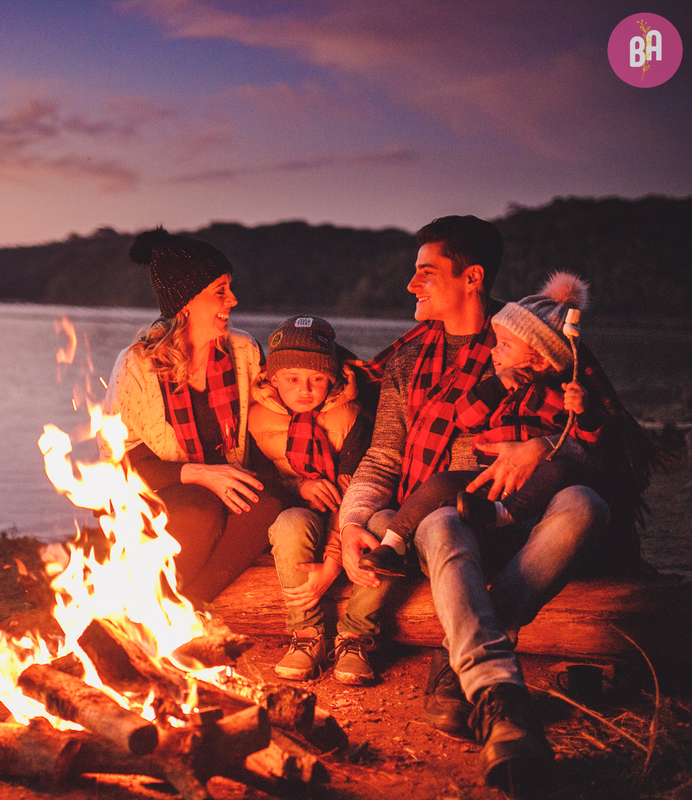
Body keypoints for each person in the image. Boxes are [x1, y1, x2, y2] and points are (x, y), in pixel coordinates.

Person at [337, 215, 610, 796]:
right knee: (444, 520)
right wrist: (352, 520)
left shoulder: (537, 343)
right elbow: (382, 457)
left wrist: (541, 447)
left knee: (586, 504)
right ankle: (497, 696)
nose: (411, 284)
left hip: (515, 523)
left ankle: (455, 661)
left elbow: (599, 447)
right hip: (430, 519)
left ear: (472, 277)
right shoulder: (409, 360)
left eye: (426, 272)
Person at [361, 273, 603, 577]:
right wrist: (496, 386)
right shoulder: (498, 388)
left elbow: (585, 441)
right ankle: (393, 544)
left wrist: (583, 411)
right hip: (485, 475)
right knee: (439, 484)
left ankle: (502, 515)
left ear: (541, 360)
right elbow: (464, 417)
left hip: (531, 483)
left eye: (505, 345)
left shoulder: (558, 395)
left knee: (560, 471)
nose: (493, 350)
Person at [101, 227, 288, 604]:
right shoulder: (137, 365)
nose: (233, 299)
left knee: (267, 502)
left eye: (229, 288)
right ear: (185, 301)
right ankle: (149, 601)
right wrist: (201, 474)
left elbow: (263, 436)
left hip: (228, 491)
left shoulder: (244, 351)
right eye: (220, 291)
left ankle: (193, 607)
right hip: (163, 498)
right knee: (200, 507)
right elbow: (121, 467)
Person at [248, 316, 380, 683]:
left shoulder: (351, 417)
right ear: (273, 378)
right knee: (290, 523)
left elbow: (357, 492)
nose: (304, 390)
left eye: (317, 379)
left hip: (347, 516)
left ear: (332, 379)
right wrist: (300, 487)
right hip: (297, 513)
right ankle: (307, 633)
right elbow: (263, 482)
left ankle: (356, 637)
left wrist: (333, 562)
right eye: (292, 379)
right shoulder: (256, 420)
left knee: (379, 529)